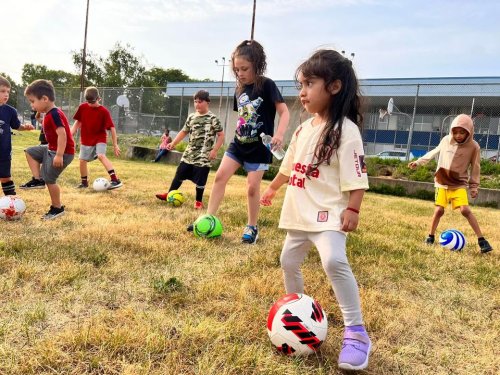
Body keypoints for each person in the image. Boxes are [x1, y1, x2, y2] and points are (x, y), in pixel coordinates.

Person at [260, 49, 372, 371]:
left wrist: (353, 209)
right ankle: (296, 311)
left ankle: (357, 333)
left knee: (334, 259)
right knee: (288, 261)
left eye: (309, 83)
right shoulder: (302, 129)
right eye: (300, 85)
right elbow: (290, 164)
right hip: (299, 214)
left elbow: (357, 176)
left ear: (334, 87)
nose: (303, 92)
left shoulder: (345, 131)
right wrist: (272, 187)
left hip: (329, 216)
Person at [191, 39, 289, 243]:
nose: (240, 73)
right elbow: (243, 116)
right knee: (219, 177)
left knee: (252, 187)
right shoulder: (239, 89)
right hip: (238, 144)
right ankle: (209, 218)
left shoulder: (267, 85)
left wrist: (279, 135)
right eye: (237, 70)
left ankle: (252, 226)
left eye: (244, 68)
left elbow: (284, 111)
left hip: (260, 147)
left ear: (256, 64)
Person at [408, 114, 493, 253]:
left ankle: (482, 240)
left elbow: (476, 167)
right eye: (455, 132)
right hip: (442, 182)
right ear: (451, 130)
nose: (458, 135)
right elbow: (434, 152)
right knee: (439, 210)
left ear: (469, 132)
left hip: (458, 184)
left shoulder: (474, 147)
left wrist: (474, 186)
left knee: (465, 210)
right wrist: (418, 162)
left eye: (462, 132)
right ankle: (430, 236)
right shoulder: (446, 140)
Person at [155, 90, 224, 209]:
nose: (197, 104)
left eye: (200, 102)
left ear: (207, 102)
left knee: (201, 179)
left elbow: (221, 135)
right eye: (195, 101)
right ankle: (169, 194)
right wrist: (173, 143)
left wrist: (215, 150)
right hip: (189, 153)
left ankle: (198, 202)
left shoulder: (213, 118)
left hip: (204, 155)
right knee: (179, 174)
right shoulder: (191, 117)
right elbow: (183, 132)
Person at [20, 79, 75, 220]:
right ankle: (38, 180)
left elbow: (62, 134)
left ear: (44, 99)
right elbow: (47, 125)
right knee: (30, 151)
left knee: (50, 179)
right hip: (50, 148)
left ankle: (57, 208)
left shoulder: (55, 114)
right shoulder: (49, 113)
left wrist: (59, 155)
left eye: (33, 101)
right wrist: (40, 116)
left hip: (62, 152)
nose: (32, 105)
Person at [71, 86, 122, 189]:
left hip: (100, 138)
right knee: (82, 160)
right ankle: (84, 183)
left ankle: (115, 180)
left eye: (93, 102)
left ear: (99, 99)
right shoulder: (83, 107)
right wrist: (70, 134)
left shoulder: (104, 111)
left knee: (101, 155)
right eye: (89, 102)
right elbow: (78, 122)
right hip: (86, 138)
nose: (91, 104)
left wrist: (115, 145)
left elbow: (112, 128)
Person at [0, 75, 35, 196]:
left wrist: (25, 127)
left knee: (5, 177)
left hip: (3, 152)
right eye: (2, 91)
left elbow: (16, 125)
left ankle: (11, 201)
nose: (6, 94)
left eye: (8, 92)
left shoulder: (10, 111)